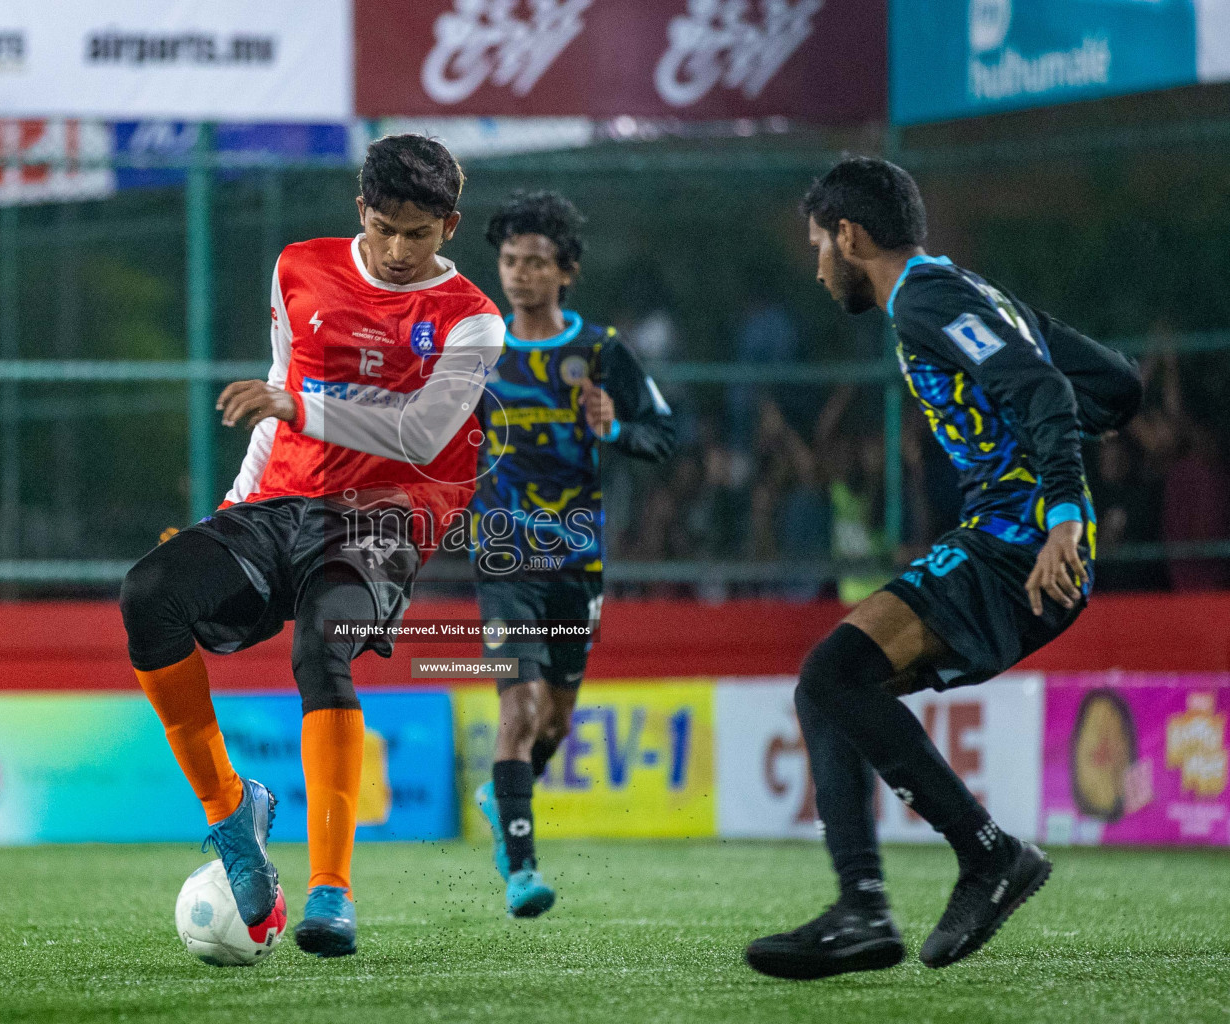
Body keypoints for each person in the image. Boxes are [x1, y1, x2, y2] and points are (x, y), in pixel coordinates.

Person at [746, 156, 1141, 980]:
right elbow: (1113, 384)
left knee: (830, 678)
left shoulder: (926, 298)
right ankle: (865, 906)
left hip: (1019, 543)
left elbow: (1042, 387)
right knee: (835, 690)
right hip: (1016, 536)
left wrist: (1060, 509)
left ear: (851, 237)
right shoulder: (962, 292)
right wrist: (1047, 432)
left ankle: (981, 858)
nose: (819, 267)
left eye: (820, 245)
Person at [120, 135, 504, 959]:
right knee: (149, 593)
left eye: (420, 233)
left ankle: (332, 892)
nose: (400, 251)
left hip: (385, 514)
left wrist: (298, 410)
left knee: (323, 643)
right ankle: (231, 815)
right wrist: (228, 513)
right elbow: (275, 390)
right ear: (359, 210)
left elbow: (418, 434)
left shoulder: (473, 319)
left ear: (451, 225)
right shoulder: (298, 268)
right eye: (385, 227)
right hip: (281, 496)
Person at [469, 190, 674, 917]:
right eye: (509, 261)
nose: (520, 275)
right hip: (501, 557)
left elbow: (663, 437)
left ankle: (505, 795)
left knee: (553, 723)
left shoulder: (601, 352)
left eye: (535, 263)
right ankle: (522, 871)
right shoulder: (478, 347)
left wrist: (615, 428)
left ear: (567, 273)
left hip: (577, 561)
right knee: (519, 709)